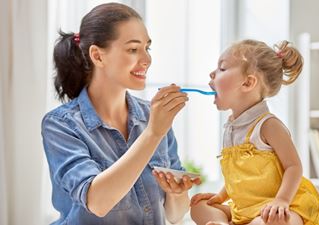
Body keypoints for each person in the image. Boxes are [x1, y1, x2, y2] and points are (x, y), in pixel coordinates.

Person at [41, 3, 200, 225]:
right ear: (97, 56)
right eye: (133, 49)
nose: (147, 59)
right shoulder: (61, 125)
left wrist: (176, 192)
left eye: (147, 48)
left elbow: (175, 215)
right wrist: (153, 134)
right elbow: (97, 202)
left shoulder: (152, 116)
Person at [190, 40, 319, 225]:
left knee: (277, 222)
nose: (212, 73)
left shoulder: (268, 125)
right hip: (245, 210)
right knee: (199, 206)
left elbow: (294, 167)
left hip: (277, 208)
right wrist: (221, 196)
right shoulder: (231, 128)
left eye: (222, 68)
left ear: (248, 83)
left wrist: (282, 201)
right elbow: (241, 177)